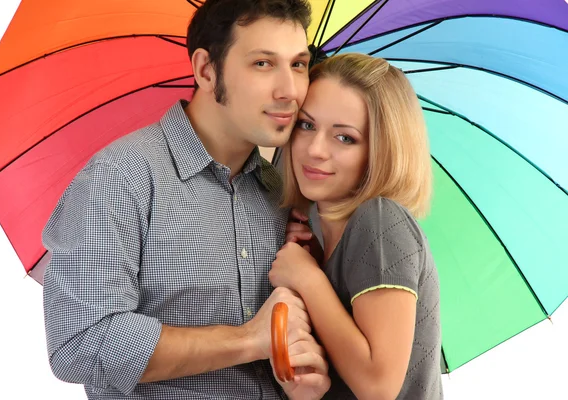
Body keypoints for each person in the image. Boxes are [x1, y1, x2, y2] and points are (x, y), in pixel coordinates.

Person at [41, 0, 331, 399]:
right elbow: (81, 344)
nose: (290, 91)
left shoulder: (280, 195)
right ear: (206, 70)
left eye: (298, 64)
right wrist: (250, 339)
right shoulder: (121, 176)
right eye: (263, 63)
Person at [269, 53, 444, 399]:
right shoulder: (324, 239)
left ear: (381, 150)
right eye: (306, 125)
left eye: (344, 138)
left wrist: (306, 277)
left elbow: (378, 387)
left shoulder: (379, 220)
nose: (315, 149)